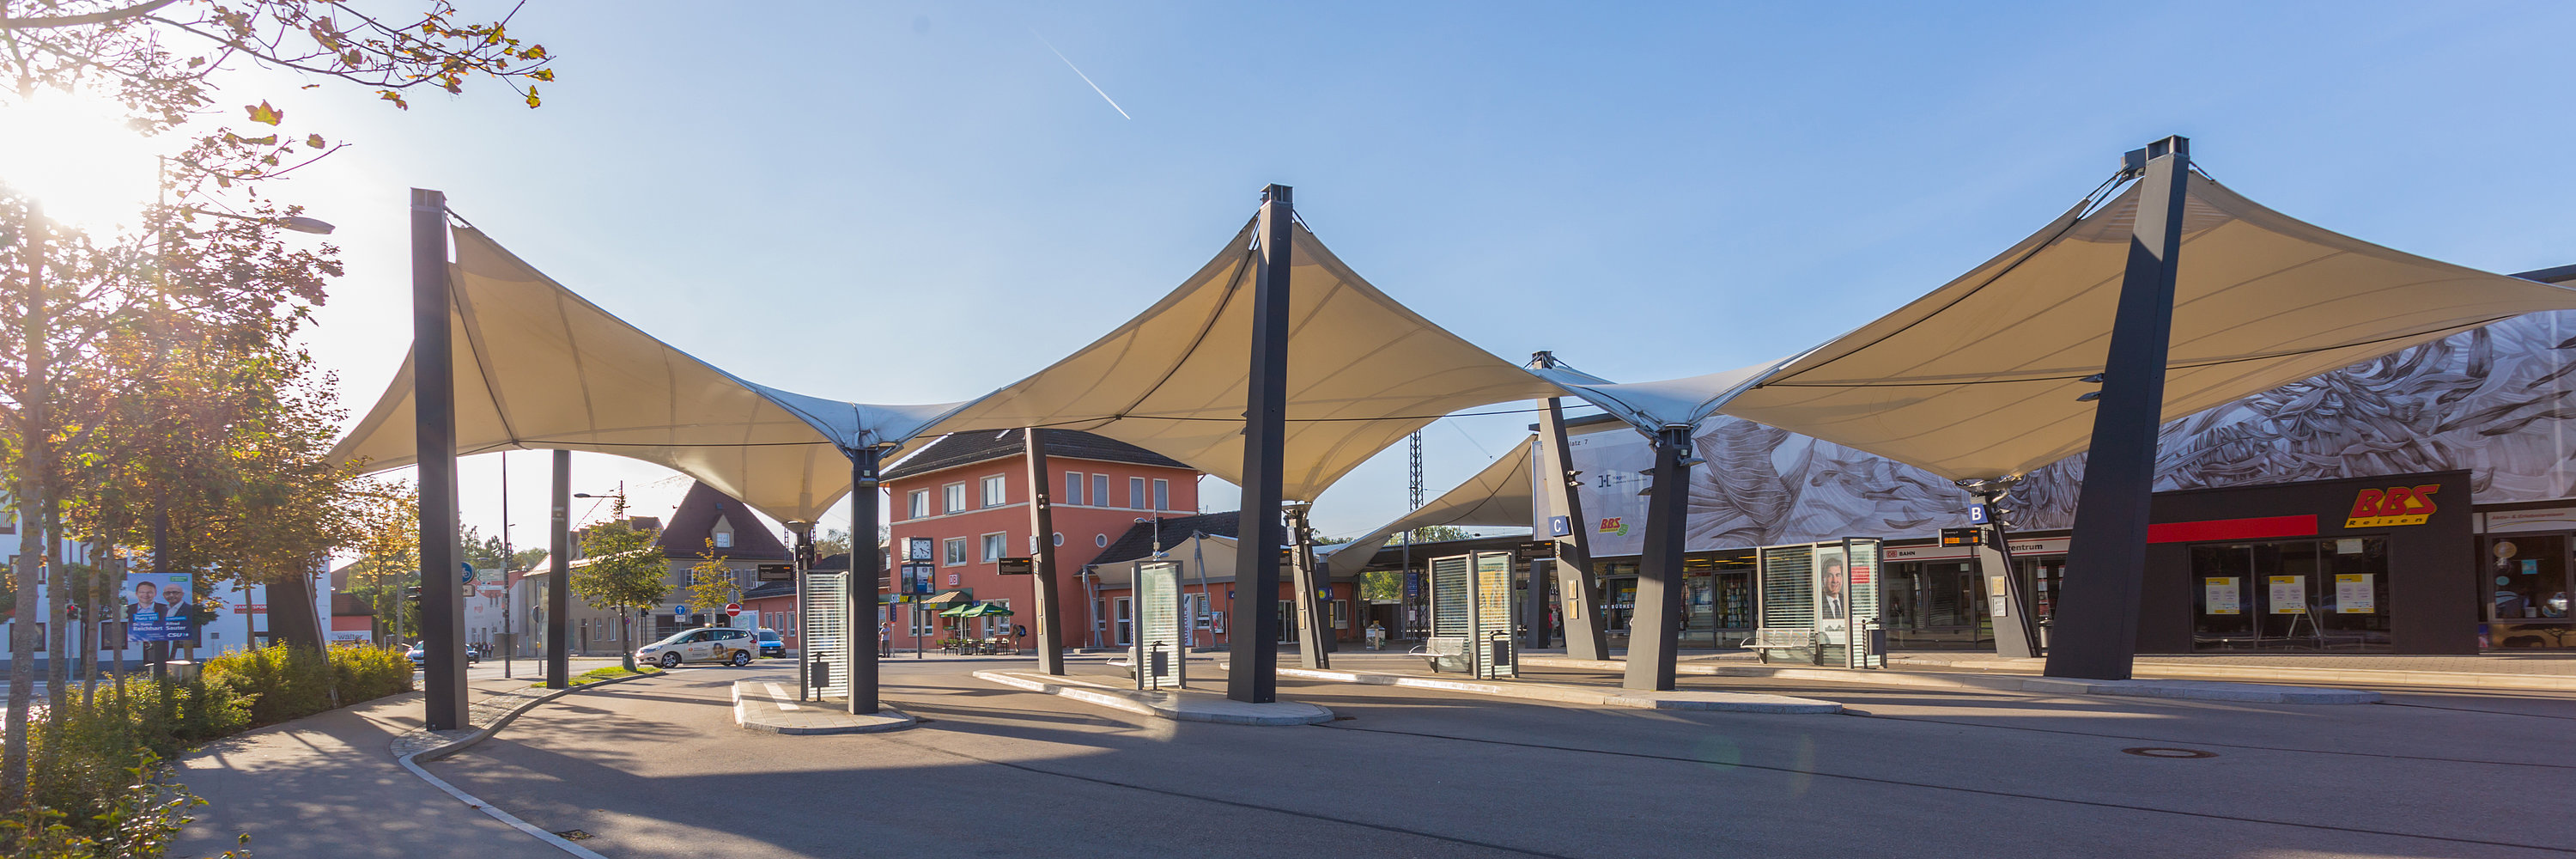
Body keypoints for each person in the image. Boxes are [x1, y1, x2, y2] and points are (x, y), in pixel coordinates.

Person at [1819, 557, 1849, 621]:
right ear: (1823, 579)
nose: (1835, 580)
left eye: (1838, 575)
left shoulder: (1847, 601)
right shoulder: (1819, 603)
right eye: (1830, 576)